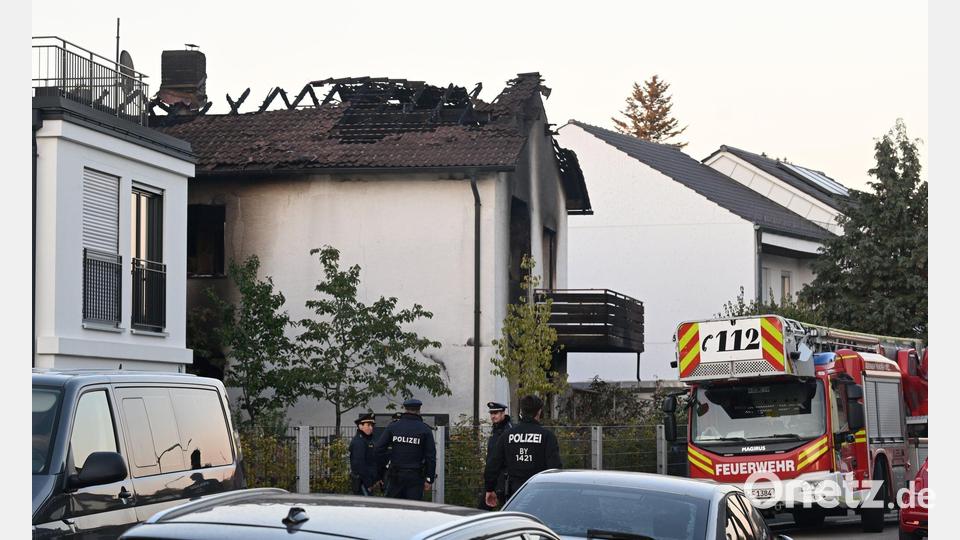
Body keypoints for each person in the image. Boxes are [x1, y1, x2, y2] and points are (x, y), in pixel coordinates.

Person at [483, 394, 561, 508]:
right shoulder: (547, 436)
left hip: (514, 493)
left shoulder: (507, 435)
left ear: (522, 411)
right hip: (540, 492)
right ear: (539, 412)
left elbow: (493, 464)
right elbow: (554, 467)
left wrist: (489, 488)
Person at [375, 398, 436, 500]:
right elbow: (431, 456)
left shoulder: (393, 427)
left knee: (394, 508)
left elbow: (378, 449)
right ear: (419, 411)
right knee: (413, 509)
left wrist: (386, 466)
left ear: (405, 409)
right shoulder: (425, 430)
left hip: (395, 475)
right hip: (415, 477)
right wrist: (429, 479)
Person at [478, 401, 513, 510]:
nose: (493, 416)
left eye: (496, 413)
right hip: (494, 477)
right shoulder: (497, 429)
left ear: (503, 413)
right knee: (482, 509)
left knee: (506, 510)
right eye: (491, 413)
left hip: (504, 478)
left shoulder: (508, 430)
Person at [349, 412, 381, 496]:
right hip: (362, 483)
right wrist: (368, 484)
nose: (371, 428)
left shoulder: (368, 440)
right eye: (368, 425)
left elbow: (372, 461)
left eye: (372, 425)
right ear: (360, 426)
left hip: (368, 482)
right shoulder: (359, 442)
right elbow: (359, 465)